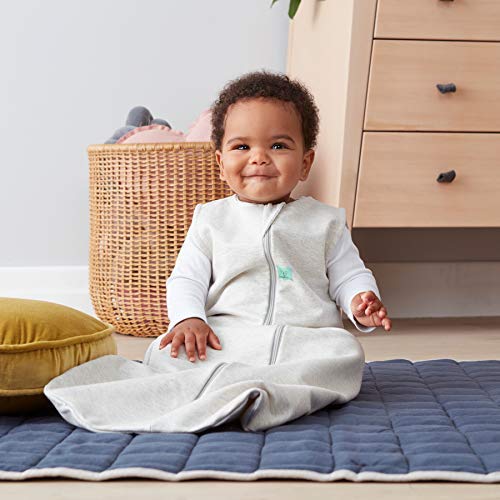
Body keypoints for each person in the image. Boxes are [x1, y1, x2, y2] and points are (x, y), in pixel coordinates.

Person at [159, 70, 392, 364]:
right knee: (169, 352)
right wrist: (189, 319)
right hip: (230, 340)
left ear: (305, 163)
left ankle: (258, 385)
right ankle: (252, 383)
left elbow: (349, 275)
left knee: (346, 353)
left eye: (278, 146)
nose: (259, 157)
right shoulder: (211, 220)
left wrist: (360, 299)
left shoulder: (326, 223)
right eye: (242, 147)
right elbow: (186, 279)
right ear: (221, 164)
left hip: (305, 342)